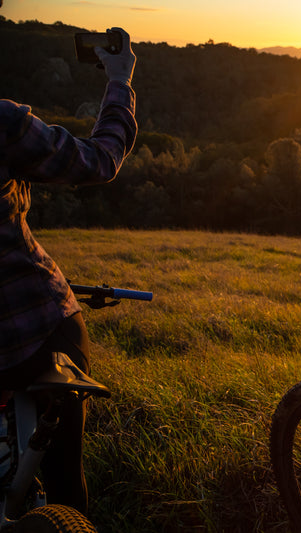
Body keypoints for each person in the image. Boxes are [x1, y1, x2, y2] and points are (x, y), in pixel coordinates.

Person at [0, 27, 137, 515]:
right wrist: (118, 81)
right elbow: (100, 160)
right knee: (64, 484)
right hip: (35, 329)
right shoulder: (3, 121)